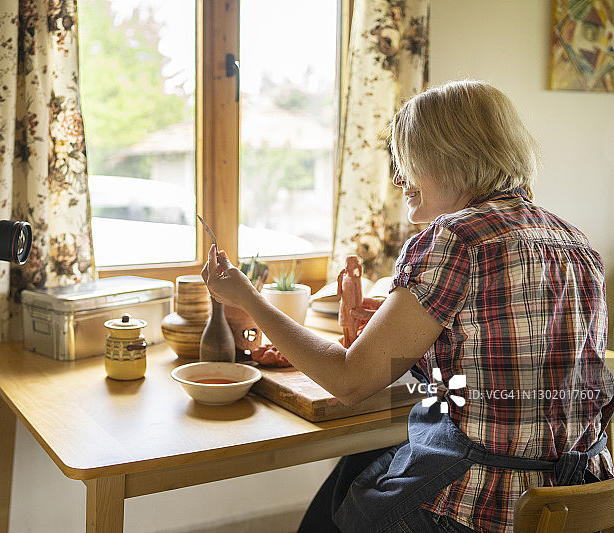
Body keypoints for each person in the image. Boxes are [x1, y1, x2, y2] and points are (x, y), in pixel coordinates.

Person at [201, 80, 614, 533]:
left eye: (408, 160)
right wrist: (415, 328)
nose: (399, 178)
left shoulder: (453, 239)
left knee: (342, 495)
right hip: (578, 500)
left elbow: (348, 382)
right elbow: (517, 373)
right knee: (361, 464)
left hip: (482, 507)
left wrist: (248, 299)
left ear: (450, 155)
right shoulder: (573, 239)